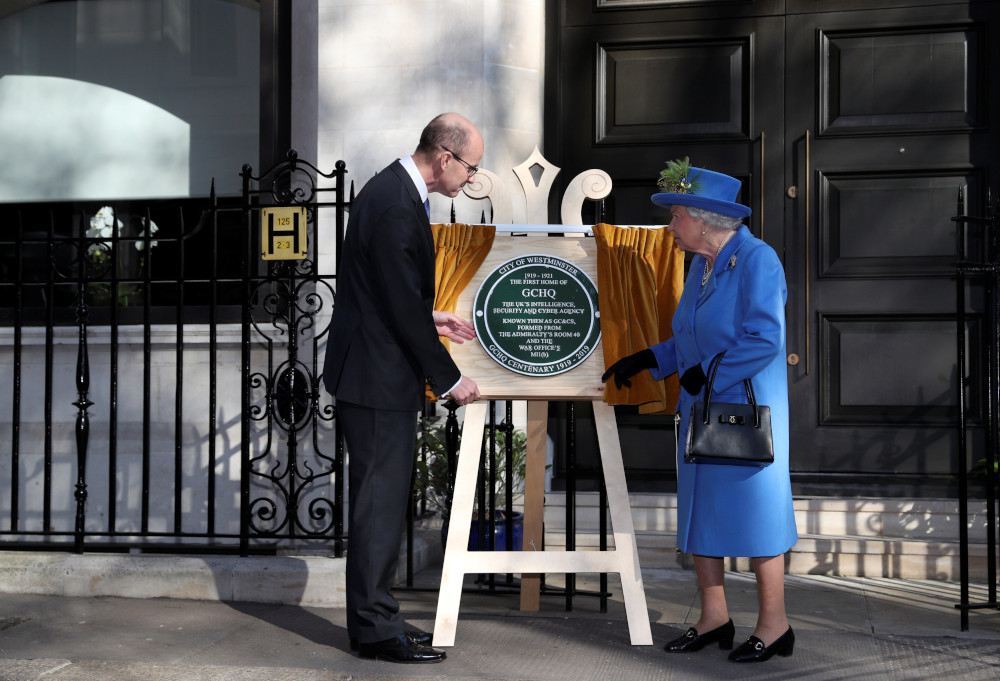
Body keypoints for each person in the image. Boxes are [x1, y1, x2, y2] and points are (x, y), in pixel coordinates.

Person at [602, 166, 798, 663]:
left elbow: (765, 339)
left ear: (704, 221)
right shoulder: (701, 266)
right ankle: (715, 617)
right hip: (700, 408)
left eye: (675, 216)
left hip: (744, 411)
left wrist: (707, 375)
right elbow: (690, 338)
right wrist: (651, 358)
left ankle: (775, 626)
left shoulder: (758, 260)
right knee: (700, 515)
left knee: (757, 517)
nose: (670, 227)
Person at [323, 112, 483, 664]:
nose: (471, 177)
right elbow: (393, 302)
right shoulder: (394, 201)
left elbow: (389, 291)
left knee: (384, 504)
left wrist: (431, 316)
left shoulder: (396, 191)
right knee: (378, 504)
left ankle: (377, 617)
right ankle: (373, 628)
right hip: (374, 378)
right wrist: (452, 378)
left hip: (375, 370)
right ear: (445, 157)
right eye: (471, 166)